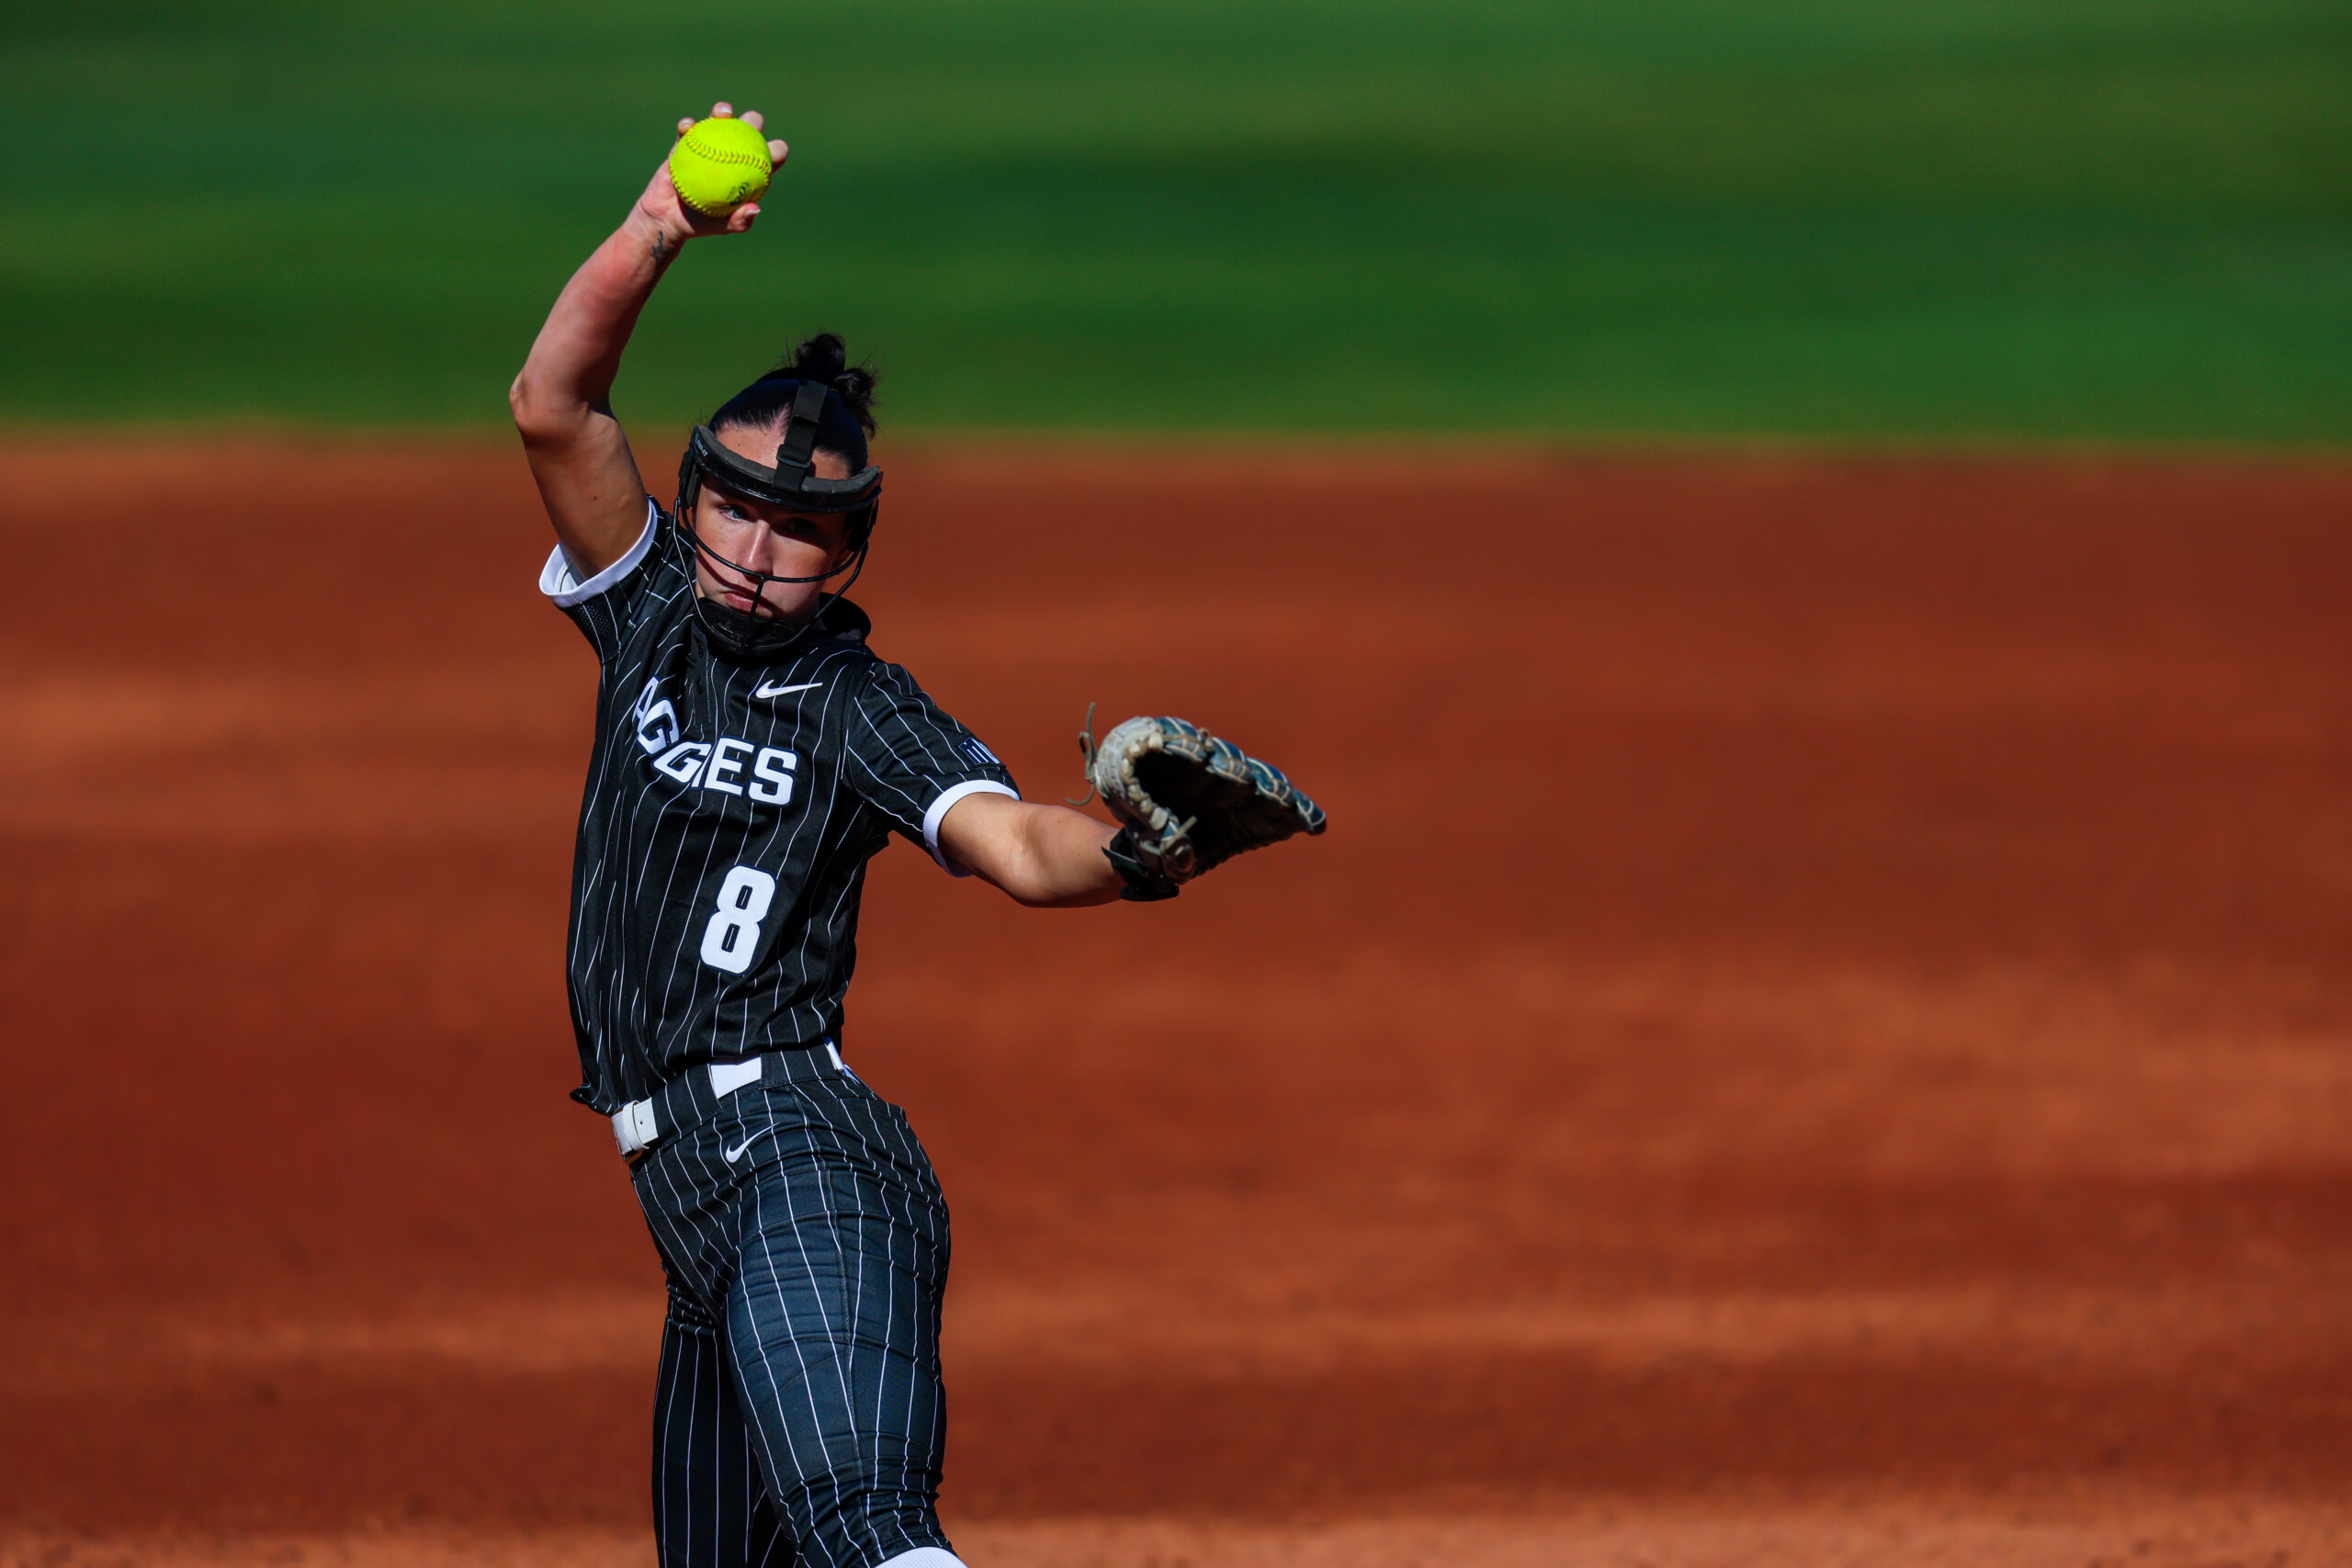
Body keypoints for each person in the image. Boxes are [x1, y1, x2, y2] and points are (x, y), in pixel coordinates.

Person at [508, 106, 1317, 1568]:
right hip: (695, 1213)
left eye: (795, 530)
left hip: (803, 1172)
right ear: (691, 499)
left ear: (849, 550)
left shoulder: (856, 703)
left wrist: (1134, 855)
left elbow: (1010, 845)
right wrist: (657, 229)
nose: (753, 552)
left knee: (867, 1531)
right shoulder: (646, 619)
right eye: (732, 510)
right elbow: (553, 405)